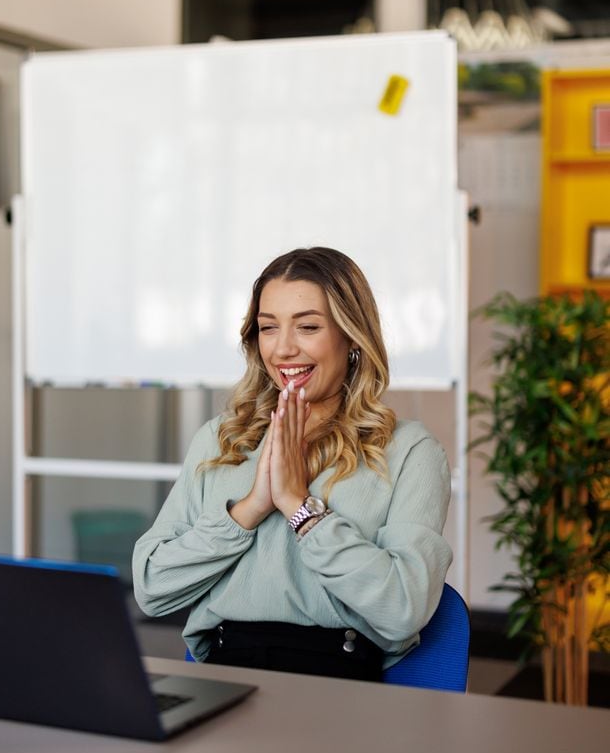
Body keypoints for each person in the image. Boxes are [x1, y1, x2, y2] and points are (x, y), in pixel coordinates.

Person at [133, 247, 452, 681]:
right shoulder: (220, 440)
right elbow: (152, 588)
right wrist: (250, 509)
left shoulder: (409, 452)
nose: (283, 348)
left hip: (338, 683)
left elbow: (402, 609)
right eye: (268, 328)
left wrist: (300, 508)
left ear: (352, 337)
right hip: (225, 677)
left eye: (307, 327)